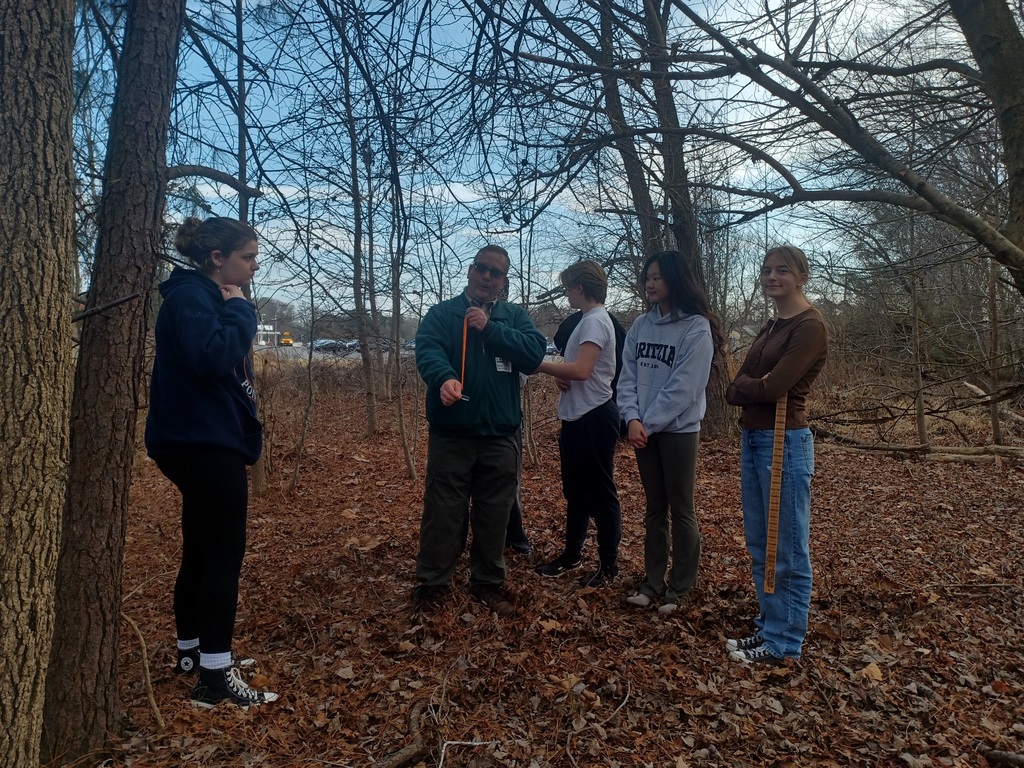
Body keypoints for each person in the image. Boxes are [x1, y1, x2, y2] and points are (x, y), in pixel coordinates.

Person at [144, 216, 278, 708]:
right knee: (224, 555)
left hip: (197, 439)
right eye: (247, 258)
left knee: (200, 549)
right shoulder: (192, 297)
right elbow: (212, 357)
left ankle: (192, 651)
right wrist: (241, 310)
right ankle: (215, 680)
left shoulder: (198, 296)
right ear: (217, 258)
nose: (254, 267)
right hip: (203, 444)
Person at [413, 245, 546, 616]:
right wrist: (443, 378)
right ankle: (433, 583)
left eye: (496, 273)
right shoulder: (442, 314)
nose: (487, 277)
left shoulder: (514, 317)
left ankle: (487, 582)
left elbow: (533, 355)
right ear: (470, 271)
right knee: (444, 510)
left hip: (500, 434)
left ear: (504, 282)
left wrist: (490, 329)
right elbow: (427, 350)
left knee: (494, 512)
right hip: (452, 432)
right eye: (482, 269)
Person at [725, 245, 828, 664]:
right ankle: (769, 626)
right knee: (759, 543)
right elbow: (735, 386)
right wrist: (753, 384)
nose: (772, 277)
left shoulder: (810, 326)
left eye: (782, 270)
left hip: (784, 441)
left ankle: (784, 642)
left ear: (801, 276)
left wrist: (753, 384)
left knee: (786, 547)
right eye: (767, 270)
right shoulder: (771, 325)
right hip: (754, 438)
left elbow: (769, 388)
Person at [618, 250, 719, 615]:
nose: (650, 283)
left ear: (675, 280)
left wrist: (649, 422)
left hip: (677, 431)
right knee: (654, 509)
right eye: (648, 277)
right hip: (642, 430)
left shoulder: (695, 327)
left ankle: (679, 589)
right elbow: (626, 376)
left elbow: (686, 386)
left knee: (682, 508)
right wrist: (631, 418)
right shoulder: (641, 326)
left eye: (658, 277)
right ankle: (651, 582)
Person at [533, 261, 623, 587]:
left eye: (568, 287)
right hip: (576, 415)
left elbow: (582, 370)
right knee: (576, 493)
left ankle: (609, 567)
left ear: (580, 287)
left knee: (601, 494)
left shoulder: (596, 320)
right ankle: (571, 557)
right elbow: (580, 370)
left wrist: (540, 365)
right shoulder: (588, 320)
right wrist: (561, 377)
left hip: (595, 417)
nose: (566, 293)